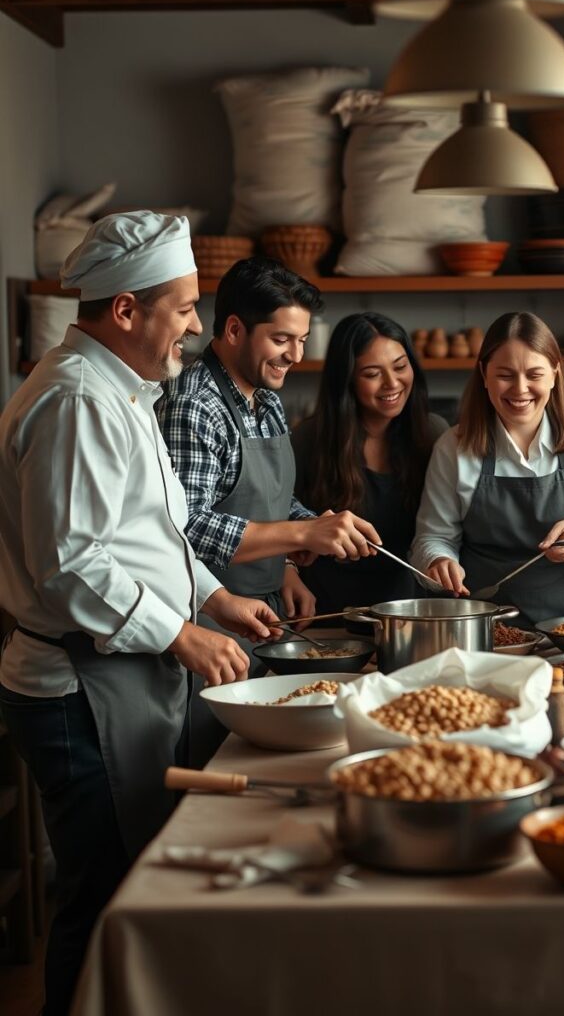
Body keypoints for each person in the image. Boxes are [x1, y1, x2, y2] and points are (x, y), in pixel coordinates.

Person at [0, 212, 280, 1015]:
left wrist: (215, 596)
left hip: (113, 673)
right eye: (185, 307)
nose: (195, 326)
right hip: (75, 688)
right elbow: (73, 567)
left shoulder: (123, 391)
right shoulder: (75, 402)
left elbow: (150, 534)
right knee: (99, 904)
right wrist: (183, 634)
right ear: (125, 311)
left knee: (126, 886)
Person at [157, 258, 380, 763]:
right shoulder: (195, 403)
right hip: (206, 624)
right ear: (234, 329)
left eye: (302, 340)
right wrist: (302, 539)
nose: (295, 355)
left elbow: (273, 502)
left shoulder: (266, 397)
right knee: (217, 770)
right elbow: (186, 526)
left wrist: (310, 529)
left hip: (262, 618)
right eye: (283, 339)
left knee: (266, 764)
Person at [411, 311, 564, 623]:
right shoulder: (453, 446)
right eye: (505, 375)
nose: (520, 389)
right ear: (484, 374)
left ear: (554, 373)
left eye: (534, 375)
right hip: (487, 630)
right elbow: (433, 536)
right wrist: (438, 559)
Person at [291, 312, 448, 614]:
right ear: (346, 379)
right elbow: (277, 519)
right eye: (373, 374)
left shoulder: (432, 434)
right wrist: (287, 570)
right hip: (330, 616)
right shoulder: (309, 438)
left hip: (412, 613)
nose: (392, 383)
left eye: (401, 367)